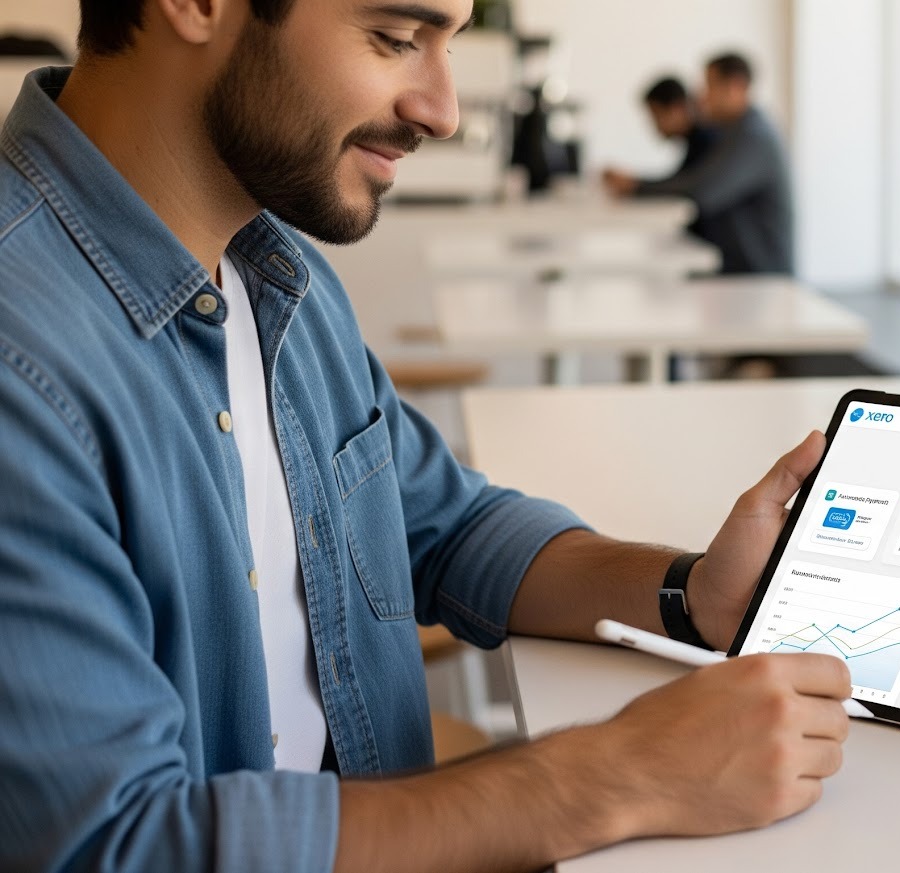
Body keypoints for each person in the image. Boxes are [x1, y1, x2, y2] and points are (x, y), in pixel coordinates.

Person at [0, 3, 850, 872]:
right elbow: (118, 847)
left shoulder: (279, 277)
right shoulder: (22, 369)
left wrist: (691, 592)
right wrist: (619, 773)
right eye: (396, 39)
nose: (443, 110)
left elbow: (446, 526)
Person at [606, 52, 794, 275]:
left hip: (761, 276)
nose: (701, 97)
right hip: (741, 272)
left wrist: (636, 186)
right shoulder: (733, 131)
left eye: (709, 86)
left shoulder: (753, 136)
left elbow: (702, 189)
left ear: (736, 87)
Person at [602, 75, 720, 219]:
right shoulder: (696, 139)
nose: (654, 125)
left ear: (676, 109)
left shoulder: (706, 140)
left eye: (657, 116)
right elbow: (679, 180)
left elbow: (688, 185)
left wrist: (635, 185)